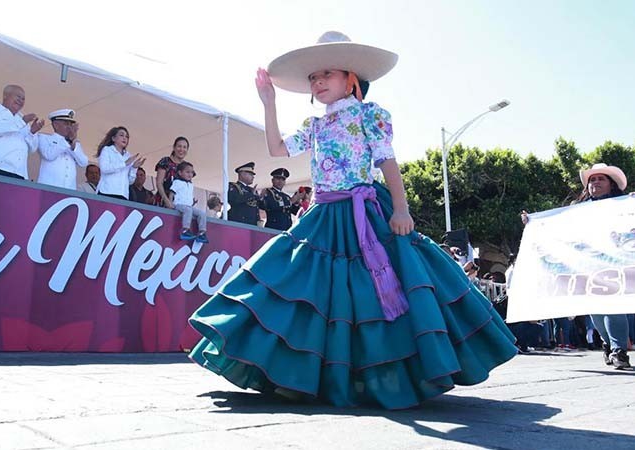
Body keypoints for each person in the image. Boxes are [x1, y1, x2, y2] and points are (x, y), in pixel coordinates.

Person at [188, 31, 516, 409]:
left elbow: (387, 162)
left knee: (378, 291)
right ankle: (315, 376)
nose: (318, 81)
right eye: (313, 77)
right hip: (324, 214)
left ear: (351, 79)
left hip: (367, 212)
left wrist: (401, 208)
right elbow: (277, 148)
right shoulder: (315, 125)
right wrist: (269, 102)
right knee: (301, 284)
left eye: (327, 73)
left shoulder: (370, 115)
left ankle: (384, 377)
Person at [521, 163, 631, 368]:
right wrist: (533, 223)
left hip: (614, 263)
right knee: (595, 308)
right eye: (592, 180)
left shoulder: (623, 206)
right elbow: (555, 229)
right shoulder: (576, 210)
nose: (595, 182)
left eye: (601, 179)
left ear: (612, 184)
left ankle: (619, 350)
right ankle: (608, 344)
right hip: (586, 265)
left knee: (614, 305)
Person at [0, 85, 44, 179]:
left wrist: (32, 133)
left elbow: (32, 149)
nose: (20, 100)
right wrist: (22, 122)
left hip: (19, 173)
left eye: (23, 98)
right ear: (5, 96)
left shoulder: (22, 119)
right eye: (18, 96)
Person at [36, 108, 88, 190]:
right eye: (66, 124)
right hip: (48, 188)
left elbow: (83, 162)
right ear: (56, 125)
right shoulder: (43, 138)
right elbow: (49, 155)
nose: (70, 127)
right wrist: (67, 141)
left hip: (68, 190)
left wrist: (73, 144)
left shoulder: (74, 143)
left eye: (71, 124)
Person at [95, 126, 144, 200]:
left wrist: (134, 168)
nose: (125, 138)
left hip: (122, 194)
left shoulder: (128, 155)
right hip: (106, 192)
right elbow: (104, 169)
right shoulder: (107, 150)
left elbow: (130, 181)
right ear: (113, 138)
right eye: (121, 135)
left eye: (127, 137)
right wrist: (124, 163)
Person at [169, 161, 208, 243]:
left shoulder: (190, 185)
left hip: (188, 206)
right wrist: (170, 203)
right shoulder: (177, 182)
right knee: (188, 210)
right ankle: (185, 230)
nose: (190, 174)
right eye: (187, 172)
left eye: (191, 172)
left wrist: (192, 203)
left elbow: (187, 196)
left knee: (202, 213)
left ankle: (202, 232)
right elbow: (172, 192)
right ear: (180, 172)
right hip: (179, 204)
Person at [155, 136, 189, 208]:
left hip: (180, 205)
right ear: (174, 148)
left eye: (184, 147)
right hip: (163, 201)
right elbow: (159, 183)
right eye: (179, 146)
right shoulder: (165, 161)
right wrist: (166, 200)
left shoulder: (186, 166)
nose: (181, 149)